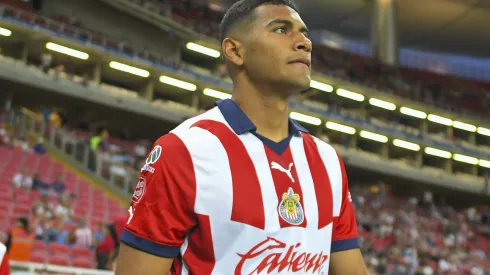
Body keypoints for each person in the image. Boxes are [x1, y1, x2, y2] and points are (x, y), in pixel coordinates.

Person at [116, 1, 368, 274]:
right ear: (235, 51)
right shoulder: (184, 150)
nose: (304, 43)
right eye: (282, 30)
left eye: (304, 33)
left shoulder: (327, 160)